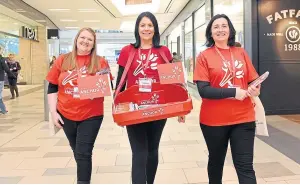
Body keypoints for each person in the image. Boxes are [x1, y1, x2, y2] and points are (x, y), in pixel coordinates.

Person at [193, 14, 260, 184]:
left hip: (244, 117)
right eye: (216, 27)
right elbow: (204, 90)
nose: (220, 29)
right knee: (216, 163)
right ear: (210, 32)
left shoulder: (240, 52)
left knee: (245, 166)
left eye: (224, 26)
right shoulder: (204, 56)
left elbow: (253, 80)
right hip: (214, 121)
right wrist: (233, 92)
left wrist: (255, 88)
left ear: (230, 30)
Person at [46, 27, 112, 184]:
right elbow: (52, 87)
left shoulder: (100, 61)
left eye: (90, 39)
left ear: (94, 44)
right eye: (83, 37)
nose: (85, 41)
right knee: (77, 150)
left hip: (91, 114)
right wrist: (54, 113)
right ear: (76, 39)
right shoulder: (63, 59)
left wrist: (103, 79)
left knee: (83, 152)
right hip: (65, 113)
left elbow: (108, 86)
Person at [115, 11, 173, 184]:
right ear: (137, 28)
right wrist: (118, 107)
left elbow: (172, 82)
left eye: (150, 25)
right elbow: (120, 82)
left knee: (153, 150)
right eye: (143, 25)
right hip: (134, 109)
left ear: (155, 29)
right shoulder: (128, 51)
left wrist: (179, 107)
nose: (146, 28)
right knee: (139, 153)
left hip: (159, 107)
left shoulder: (164, 51)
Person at [0, 47, 16, 114]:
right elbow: (6, 69)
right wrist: (13, 75)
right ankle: (3, 110)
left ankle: (3, 110)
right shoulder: (2, 59)